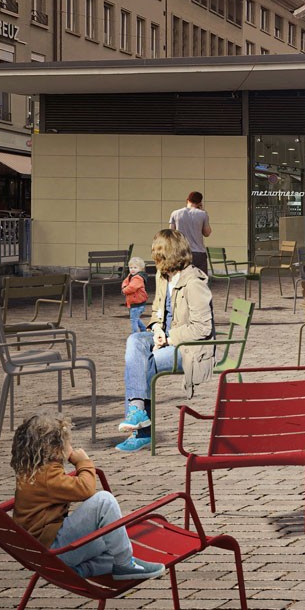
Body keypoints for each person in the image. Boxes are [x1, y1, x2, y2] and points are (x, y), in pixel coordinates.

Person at [12, 415, 164, 581]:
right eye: (67, 442)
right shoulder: (47, 475)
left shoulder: (32, 471)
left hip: (41, 552)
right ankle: (125, 564)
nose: (71, 447)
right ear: (54, 448)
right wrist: (83, 462)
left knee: (109, 536)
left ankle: (85, 570)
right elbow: (86, 489)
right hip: (53, 551)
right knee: (104, 501)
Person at [115, 229, 215, 452]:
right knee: (135, 341)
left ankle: (142, 431)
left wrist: (169, 338)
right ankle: (137, 412)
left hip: (193, 349)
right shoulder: (164, 277)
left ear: (165, 255)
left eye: (156, 254)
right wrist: (158, 328)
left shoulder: (194, 282)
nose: (154, 259)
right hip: (169, 338)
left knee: (144, 363)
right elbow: (157, 310)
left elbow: (203, 328)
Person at [169, 191, 211, 275]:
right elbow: (207, 233)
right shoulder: (203, 214)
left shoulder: (175, 213)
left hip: (181, 252)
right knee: (201, 281)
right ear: (199, 202)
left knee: (181, 280)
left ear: (187, 200)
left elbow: (171, 233)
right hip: (199, 253)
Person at [122, 256, 150, 334]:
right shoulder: (131, 276)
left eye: (135, 267)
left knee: (133, 319)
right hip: (134, 302)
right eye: (131, 267)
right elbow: (125, 281)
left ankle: (134, 333)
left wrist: (124, 290)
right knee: (136, 318)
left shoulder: (138, 278)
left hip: (137, 303)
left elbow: (132, 288)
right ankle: (144, 330)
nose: (132, 269)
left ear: (140, 269)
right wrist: (124, 286)